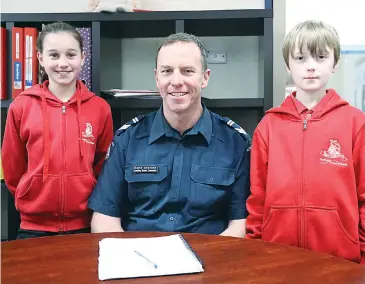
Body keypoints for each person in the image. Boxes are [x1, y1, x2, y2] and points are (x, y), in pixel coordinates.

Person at [88, 33, 251, 237]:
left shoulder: (235, 142)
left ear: (205, 77)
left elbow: (240, 223)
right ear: (157, 77)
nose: (176, 81)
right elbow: (104, 217)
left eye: (187, 71)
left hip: (210, 261)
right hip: (139, 260)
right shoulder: (127, 139)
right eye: (167, 71)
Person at [245, 20, 365, 264]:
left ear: (335, 63)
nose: (310, 67)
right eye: (300, 58)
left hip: (340, 260)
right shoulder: (268, 126)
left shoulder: (355, 122)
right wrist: (255, 251)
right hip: (275, 257)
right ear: (288, 65)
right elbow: (257, 196)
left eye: (320, 57)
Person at [1, 22, 113, 239]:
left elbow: (104, 164)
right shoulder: (21, 106)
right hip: (33, 226)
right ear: (41, 58)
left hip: (85, 224)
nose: (63, 63)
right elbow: (12, 165)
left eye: (71, 54)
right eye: (54, 55)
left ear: (83, 57)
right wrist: (30, 194)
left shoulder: (100, 108)